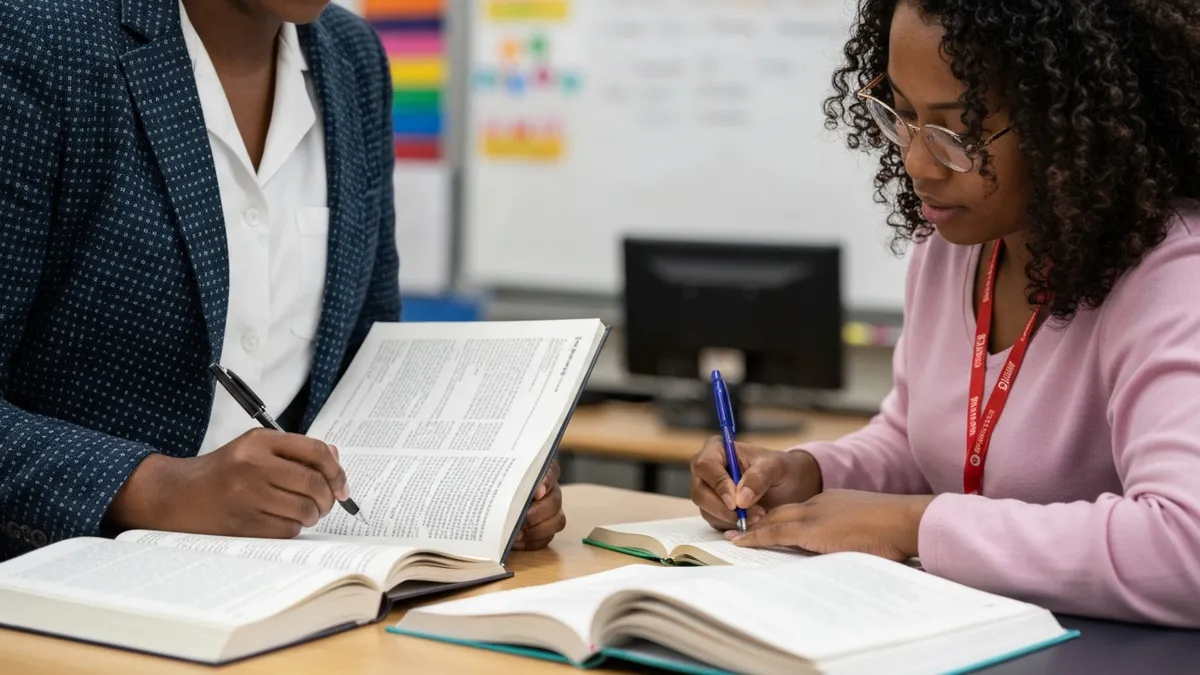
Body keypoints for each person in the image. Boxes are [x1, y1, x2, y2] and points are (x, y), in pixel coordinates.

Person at [690, 0, 1200, 628]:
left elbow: (1186, 547)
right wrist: (809, 474)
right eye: (902, 115)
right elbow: (917, 439)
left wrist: (913, 524)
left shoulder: (1174, 274)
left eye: (957, 133)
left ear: (1071, 122)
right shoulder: (952, 250)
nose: (917, 162)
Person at [0, 0, 563, 561]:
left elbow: (364, 367)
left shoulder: (352, 57)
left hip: (283, 570)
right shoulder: (39, 36)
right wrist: (157, 487)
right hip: (59, 574)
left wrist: (482, 492)